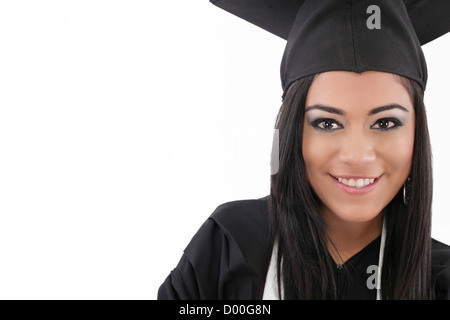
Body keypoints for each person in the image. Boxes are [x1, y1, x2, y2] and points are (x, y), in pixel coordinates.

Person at [158, 0, 450, 299]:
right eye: (327, 123)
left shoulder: (441, 280)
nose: (358, 155)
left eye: (386, 123)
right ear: (293, 131)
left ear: (418, 132)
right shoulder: (230, 245)